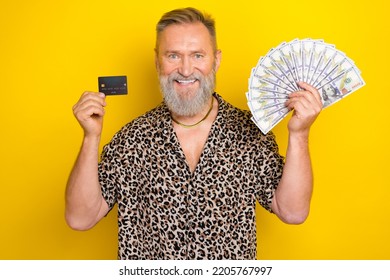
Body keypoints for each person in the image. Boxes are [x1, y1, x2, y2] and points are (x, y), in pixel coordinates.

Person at [66, 7, 322, 260]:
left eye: (197, 55)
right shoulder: (132, 139)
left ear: (217, 60)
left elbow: (293, 212)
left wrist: (299, 134)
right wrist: (91, 137)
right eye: (173, 56)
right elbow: (80, 218)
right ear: (157, 61)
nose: (186, 70)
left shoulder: (250, 134)